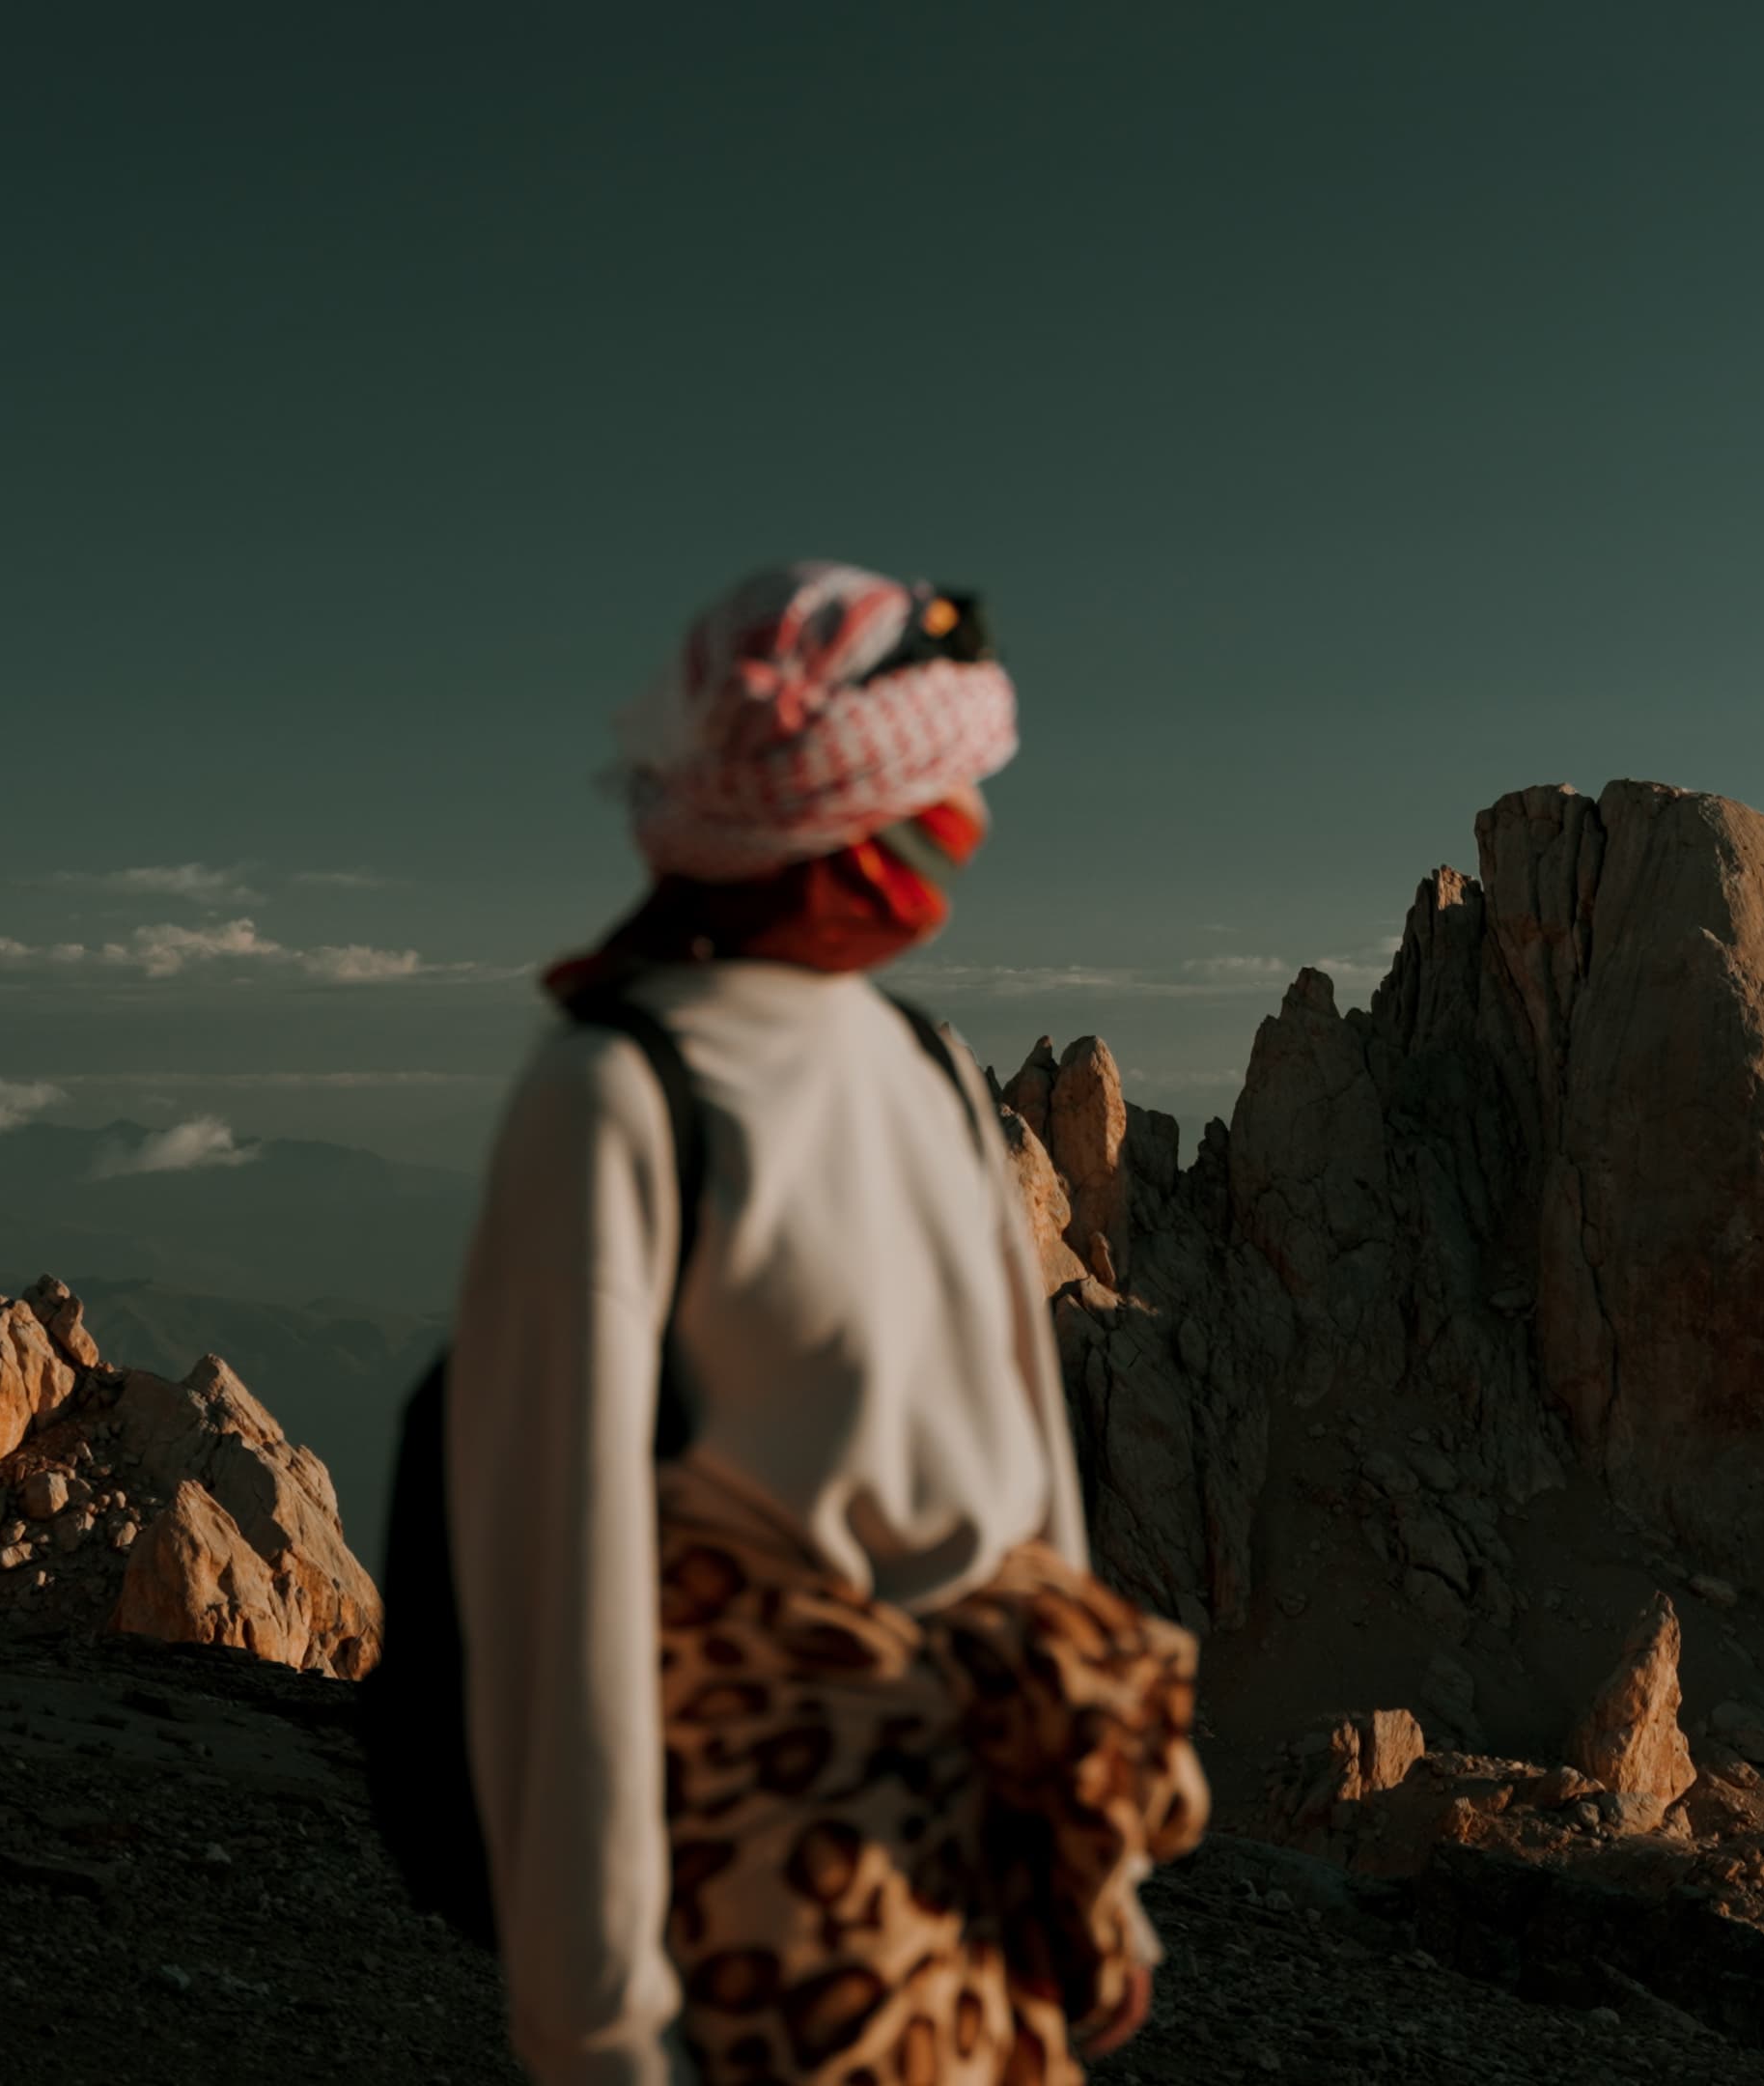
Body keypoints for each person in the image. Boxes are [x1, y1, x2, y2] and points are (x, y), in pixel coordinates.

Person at [447, 563, 1206, 2086]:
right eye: (946, 787)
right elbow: (555, 1597)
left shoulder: (921, 1069)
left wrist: (1092, 1874)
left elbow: (1031, 1508)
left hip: (981, 1871)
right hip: (780, 1909)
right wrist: (597, 2027)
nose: (968, 826)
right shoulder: (615, 1099)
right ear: (856, 823)